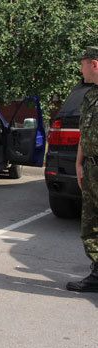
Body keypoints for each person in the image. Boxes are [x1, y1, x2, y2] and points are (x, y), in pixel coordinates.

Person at [66, 46, 98, 293]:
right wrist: (79, 162)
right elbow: (84, 133)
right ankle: (96, 274)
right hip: (90, 168)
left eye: (83, 64)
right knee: (90, 225)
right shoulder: (90, 96)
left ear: (94, 64)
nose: (80, 69)